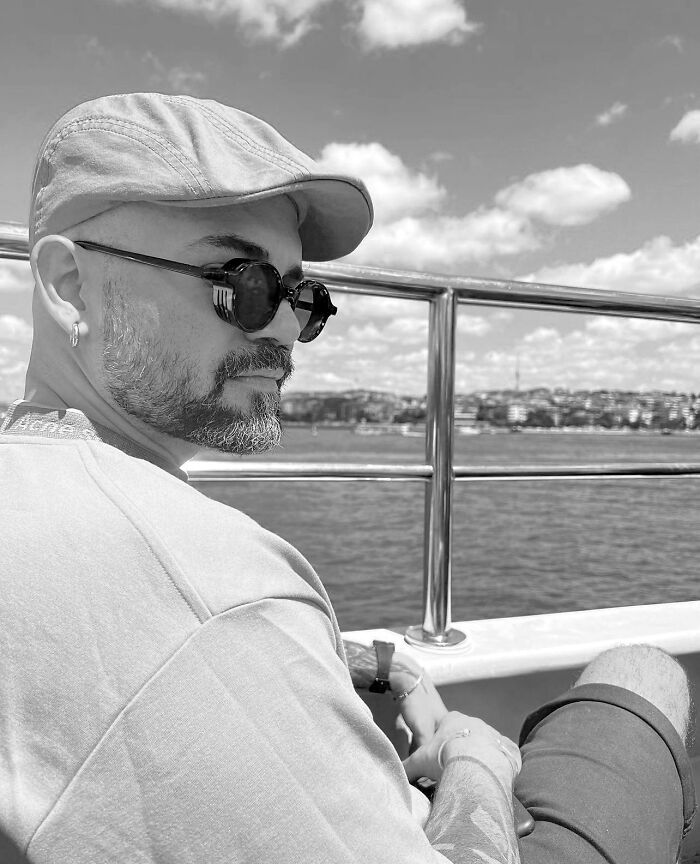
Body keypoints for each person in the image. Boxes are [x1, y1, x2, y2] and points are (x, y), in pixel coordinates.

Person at [0, 92, 694, 864]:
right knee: (642, 672)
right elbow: (193, 627)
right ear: (68, 285)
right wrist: (477, 761)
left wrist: (330, 654)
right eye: (245, 283)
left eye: (304, 296)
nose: (289, 326)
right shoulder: (211, 597)